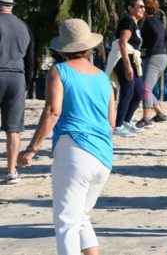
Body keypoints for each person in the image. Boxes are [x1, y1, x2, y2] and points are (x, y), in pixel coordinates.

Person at [17, 19, 114, 255]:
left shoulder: (59, 71)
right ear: (89, 46)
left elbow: (53, 111)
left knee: (66, 222)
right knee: (80, 216)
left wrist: (31, 149)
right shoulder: (103, 77)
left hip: (74, 151)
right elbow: (111, 122)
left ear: (62, 48)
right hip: (103, 155)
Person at [0, 0, 33, 185]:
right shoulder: (24, 26)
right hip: (17, 77)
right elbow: (31, 59)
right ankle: (11, 171)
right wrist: (27, 83)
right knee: (14, 129)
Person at [111, 0, 145, 137]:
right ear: (131, 8)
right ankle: (118, 125)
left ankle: (126, 121)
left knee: (138, 92)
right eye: (140, 6)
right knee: (127, 91)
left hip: (133, 59)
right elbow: (122, 42)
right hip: (125, 59)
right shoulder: (127, 20)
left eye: (143, 6)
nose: (143, 9)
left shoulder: (135, 23)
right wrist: (127, 65)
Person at [135, 0, 167, 128]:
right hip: (162, 56)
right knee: (146, 87)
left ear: (146, 9)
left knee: (145, 88)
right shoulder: (159, 22)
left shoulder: (147, 23)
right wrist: (161, 47)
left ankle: (146, 118)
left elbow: (152, 37)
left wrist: (147, 50)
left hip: (153, 57)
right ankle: (160, 113)